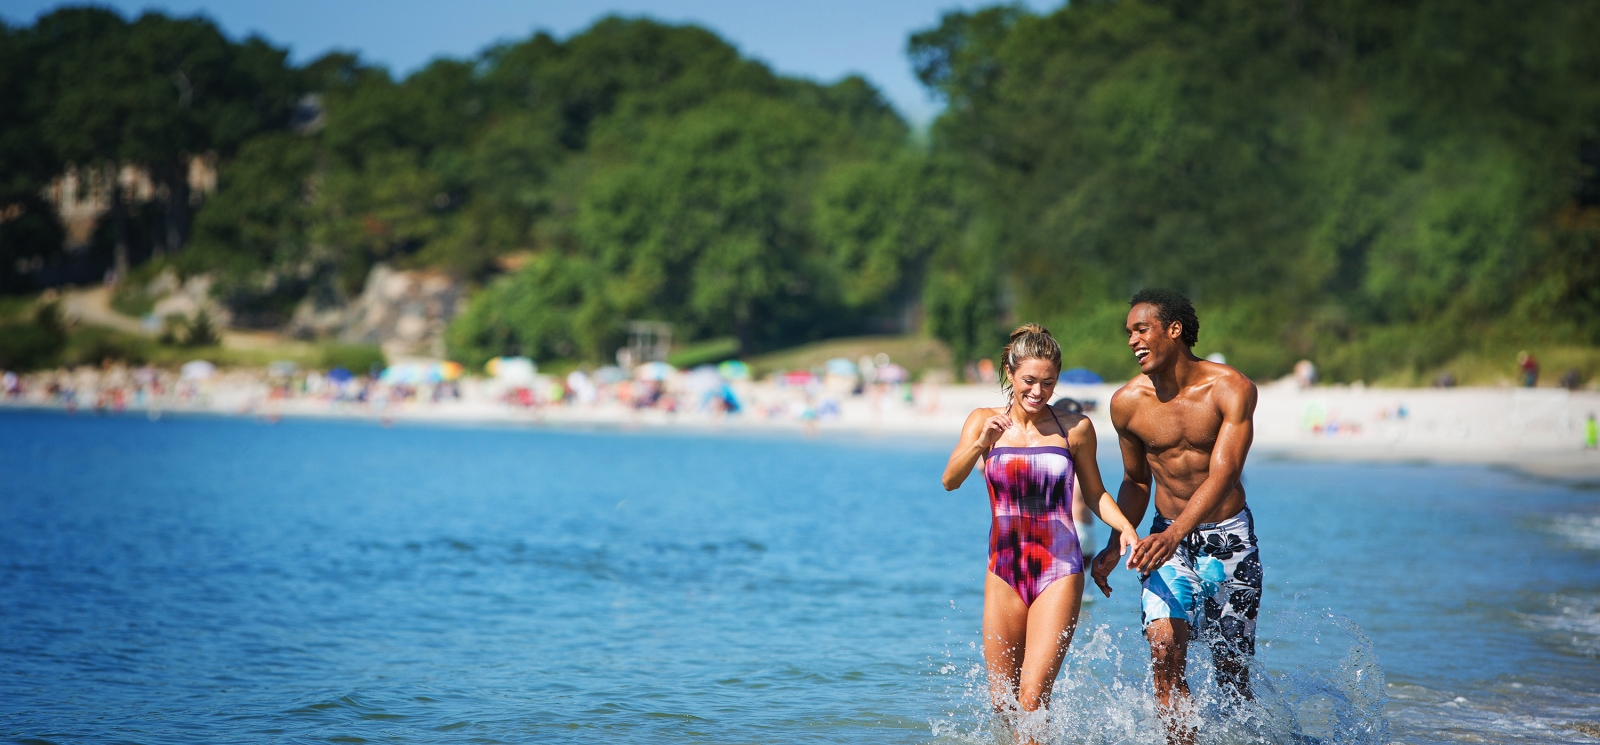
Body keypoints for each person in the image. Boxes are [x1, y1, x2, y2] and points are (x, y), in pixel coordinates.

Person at [942, 324, 1141, 744]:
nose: (1038, 391)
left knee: (1032, 701)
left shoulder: (1075, 429)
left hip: (1060, 568)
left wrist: (1125, 526)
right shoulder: (982, 421)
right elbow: (949, 480)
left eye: (1048, 383)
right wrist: (982, 443)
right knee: (1003, 705)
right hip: (1003, 570)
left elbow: (1096, 492)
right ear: (1010, 373)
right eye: (1029, 381)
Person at [1090, 289, 1261, 745]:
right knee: (1164, 650)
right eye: (1128, 333)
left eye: (1140, 329)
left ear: (1174, 330)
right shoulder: (1127, 403)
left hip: (1228, 540)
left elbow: (1224, 474)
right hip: (1165, 537)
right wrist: (1115, 543)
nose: (1131, 341)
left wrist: (1177, 532)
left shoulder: (1232, 389)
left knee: (1232, 675)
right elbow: (1136, 482)